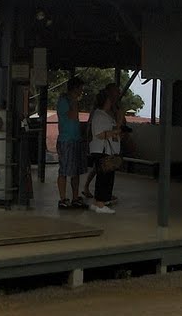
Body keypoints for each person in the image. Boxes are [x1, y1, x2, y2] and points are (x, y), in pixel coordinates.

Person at [82, 82, 130, 200]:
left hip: (112, 144)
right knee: (102, 170)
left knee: (107, 170)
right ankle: (99, 197)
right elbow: (98, 130)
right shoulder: (99, 112)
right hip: (102, 145)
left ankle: (104, 196)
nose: (117, 94)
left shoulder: (114, 108)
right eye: (115, 92)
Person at [88, 89, 121, 214]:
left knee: (105, 176)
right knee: (104, 177)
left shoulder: (105, 115)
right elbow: (99, 134)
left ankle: (99, 201)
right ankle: (101, 203)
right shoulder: (99, 115)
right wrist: (114, 132)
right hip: (102, 149)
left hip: (106, 149)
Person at [56, 76, 86, 208]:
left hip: (76, 138)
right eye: (80, 89)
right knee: (64, 170)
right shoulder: (64, 101)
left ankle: (75, 197)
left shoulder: (73, 101)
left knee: (76, 170)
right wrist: (74, 101)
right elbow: (73, 115)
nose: (81, 92)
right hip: (66, 140)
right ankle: (63, 199)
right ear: (74, 88)